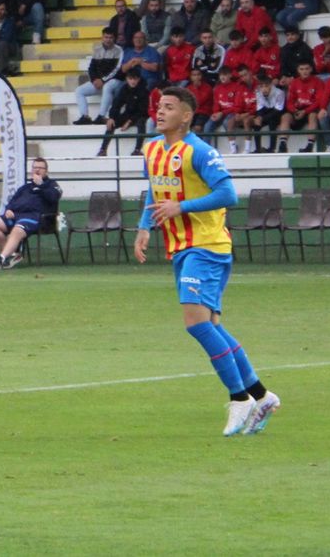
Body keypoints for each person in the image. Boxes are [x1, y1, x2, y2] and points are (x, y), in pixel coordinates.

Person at [133, 87, 280, 436]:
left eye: (169, 107)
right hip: (181, 246)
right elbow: (156, 190)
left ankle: (239, 398)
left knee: (196, 323)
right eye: (159, 106)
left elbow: (228, 193)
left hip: (208, 245)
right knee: (210, 325)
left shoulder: (200, 151)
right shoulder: (151, 148)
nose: (160, 111)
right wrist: (144, 227)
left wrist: (180, 207)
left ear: (186, 116)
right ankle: (262, 395)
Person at [0, 157, 63, 270]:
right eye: (35, 167)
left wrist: (41, 186)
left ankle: (1, 258)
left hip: (36, 218)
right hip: (16, 216)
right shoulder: (25, 188)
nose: (37, 170)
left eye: (40, 168)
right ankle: (12, 255)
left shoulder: (52, 185)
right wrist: (9, 210)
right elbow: (12, 202)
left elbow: (53, 198)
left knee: (17, 229)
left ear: (46, 171)